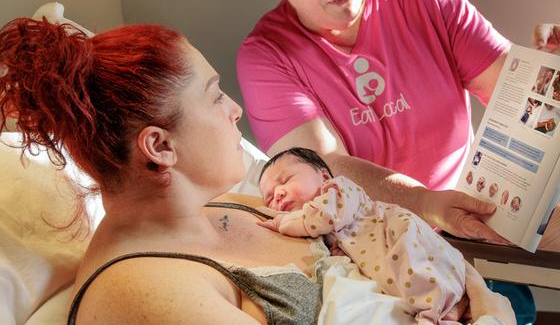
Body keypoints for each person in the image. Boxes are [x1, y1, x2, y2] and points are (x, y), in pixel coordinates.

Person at [0, 18, 515, 325]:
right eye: (215, 94)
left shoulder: (241, 207)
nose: (235, 111)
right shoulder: (143, 294)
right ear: (160, 146)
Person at [238, 0, 560, 322]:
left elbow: (524, 110)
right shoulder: (266, 56)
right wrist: (422, 202)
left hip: (465, 236)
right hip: (363, 256)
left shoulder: (432, 6)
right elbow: (323, 164)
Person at [257, 147, 468, 324]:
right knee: (408, 284)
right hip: (387, 266)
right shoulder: (319, 233)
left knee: (415, 267)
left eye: (285, 180)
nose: (278, 194)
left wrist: (281, 222)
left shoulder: (338, 190)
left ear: (323, 176)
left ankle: (436, 311)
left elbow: (325, 215)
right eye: (269, 199)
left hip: (399, 234)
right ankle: (446, 310)